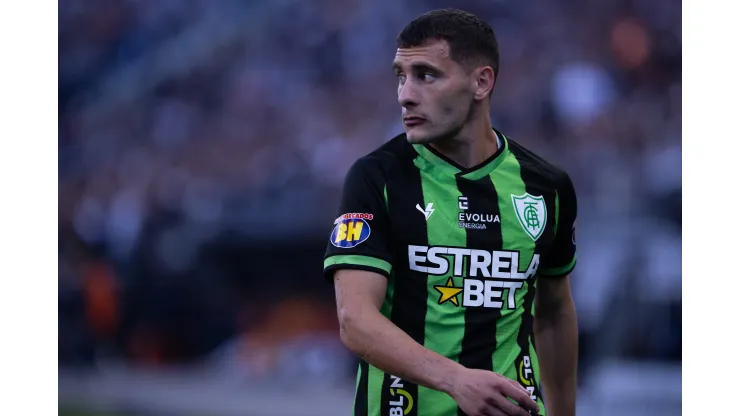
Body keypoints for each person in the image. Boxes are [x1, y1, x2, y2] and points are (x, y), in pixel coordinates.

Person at [323, 8, 578, 416]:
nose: (405, 94)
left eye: (426, 75)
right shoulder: (377, 178)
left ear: (481, 82)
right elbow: (354, 319)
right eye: (400, 76)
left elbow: (554, 313)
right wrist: (455, 379)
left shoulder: (546, 187)